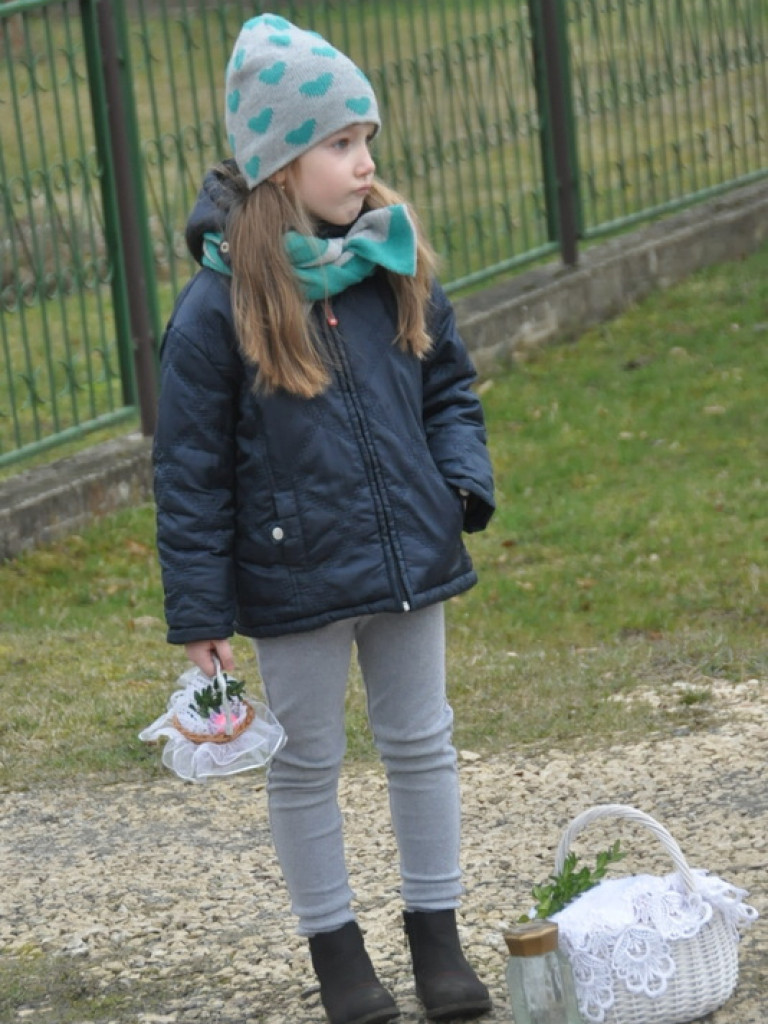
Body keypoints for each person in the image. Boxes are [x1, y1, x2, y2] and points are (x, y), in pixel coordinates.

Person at [153, 13, 495, 1024]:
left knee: (421, 740)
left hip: (408, 555)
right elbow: (190, 470)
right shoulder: (216, 309)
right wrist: (201, 609)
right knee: (306, 762)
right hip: (293, 578)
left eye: (367, 140)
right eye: (342, 144)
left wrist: (457, 485)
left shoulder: (393, 260)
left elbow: (451, 388)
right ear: (282, 164)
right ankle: (339, 957)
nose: (365, 162)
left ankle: (439, 938)